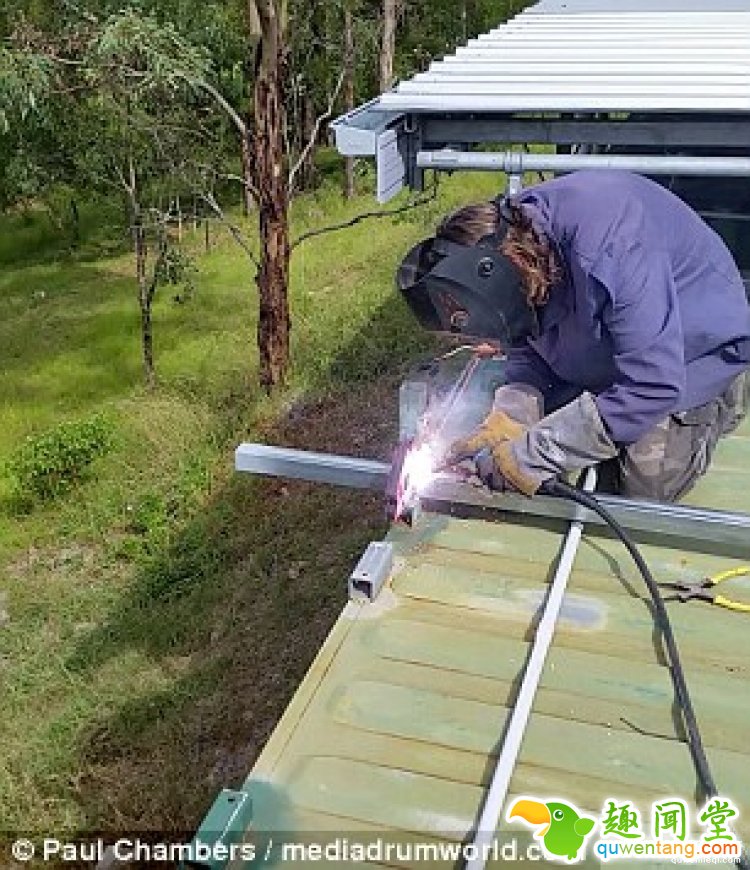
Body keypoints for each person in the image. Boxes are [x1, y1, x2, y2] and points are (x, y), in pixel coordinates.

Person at [396, 170, 750, 501]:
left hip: (693, 356)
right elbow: (523, 336)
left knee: (641, 489)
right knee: (523, 445)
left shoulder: (612, 246)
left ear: (501, 272)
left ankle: (713, 418)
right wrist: (513, 414)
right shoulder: (516, 246)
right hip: (605, 347)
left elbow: (652, 387)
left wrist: (535, 455)